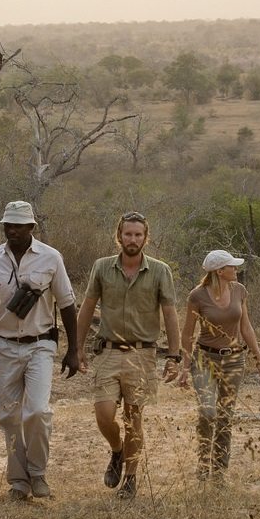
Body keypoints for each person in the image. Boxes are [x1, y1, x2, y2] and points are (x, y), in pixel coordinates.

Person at [0, 201, 81, 501]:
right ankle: (19, 482)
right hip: (5, 345)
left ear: (32, 227)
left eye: (19, 225)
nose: (12, 230)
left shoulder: (50, 257)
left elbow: (68, 303)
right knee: (9, 418)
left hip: (41, 344)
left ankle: (38, 473)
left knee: (36, 411)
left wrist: (73, 351)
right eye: (8, 225)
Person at [74, 211, 184, 499]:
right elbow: (87, 308)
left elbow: (171, 314)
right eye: (127, 234)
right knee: (104, 413)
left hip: (142, 354)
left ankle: (131, 480)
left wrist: (174, 356)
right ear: (118, 236)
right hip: (108, 350)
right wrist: (76, 348)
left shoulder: (160, 271)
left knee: (134, 417)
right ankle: (116, 450)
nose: (132, 239)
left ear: (146, 238)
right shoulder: (102, 267)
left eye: (138, 234)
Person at [179, 250, 260, 483]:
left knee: (225, 415)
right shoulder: (197, 296)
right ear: (220, 271)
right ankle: (203, 462)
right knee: (208, 412)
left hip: (234, 359)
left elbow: (246, 327)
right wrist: (185, 366)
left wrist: (259, 358)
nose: (235, 270)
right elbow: (187, 333)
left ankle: (219, 472)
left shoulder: (239, 290)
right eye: (231, 266)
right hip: (205, 359)